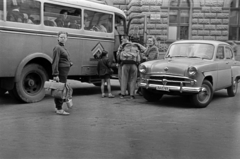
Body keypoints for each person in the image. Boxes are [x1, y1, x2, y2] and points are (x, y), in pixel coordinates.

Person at [52, 31, 73, 115]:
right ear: (57, 38)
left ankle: (58, 107)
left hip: (64, 71)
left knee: (60, 89)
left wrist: (69, 63)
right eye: (61, 37)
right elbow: (55, 62)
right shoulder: (57, 48)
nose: (63, 39)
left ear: (67, 39)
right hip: (60, 72)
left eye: (64, 37)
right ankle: (59, 109)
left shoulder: (63, 48)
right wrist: (55, 74)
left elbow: (64, 58)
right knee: (60, 90)